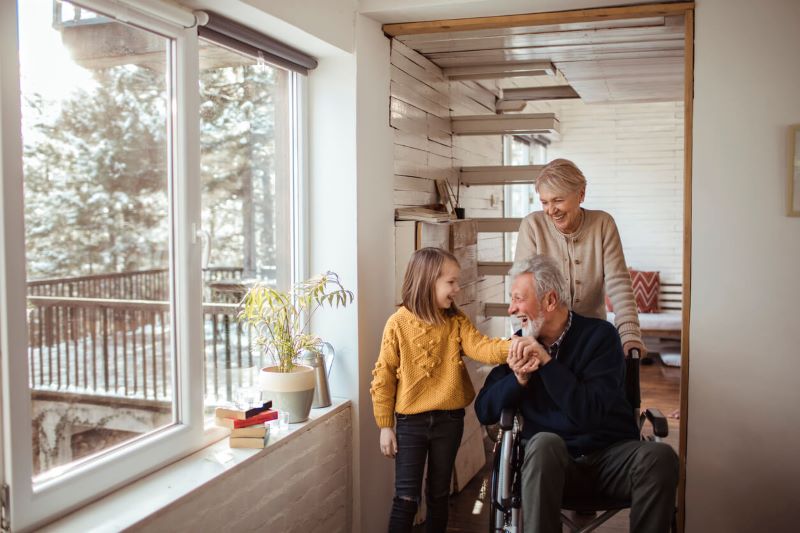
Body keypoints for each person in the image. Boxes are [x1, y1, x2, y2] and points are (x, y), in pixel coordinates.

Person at [475, 254, 678, 533]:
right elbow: (483, 409)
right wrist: (519, 380)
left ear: (550, 300)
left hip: (611, 459)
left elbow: (588, 414)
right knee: (544, 443)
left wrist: (546, 363)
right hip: (554, 465)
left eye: (519, 299)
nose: (511, 309)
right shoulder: (517, 347)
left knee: (661, 456)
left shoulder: (600, 337)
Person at [370, 247, 515, 533]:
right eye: (451, 282)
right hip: (410, 424)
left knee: (438, 496)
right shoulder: (397, 324)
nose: (457, 289)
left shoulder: (456, 322)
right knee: (406, 498)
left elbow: (482, 348)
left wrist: (516, 346)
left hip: (449, 421)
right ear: (428, 281)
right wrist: (385, 425)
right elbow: (383, 376)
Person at [515, 158, 645, 356]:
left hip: (593, 338)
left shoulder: (603, 224)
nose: (551, 210)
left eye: (558, 200)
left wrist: (630, 335)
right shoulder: (532, 226)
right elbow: (523, 290)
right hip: (545, 337)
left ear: (581, 194)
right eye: (545, 202)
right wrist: (529, 337)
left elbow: (619, 283)